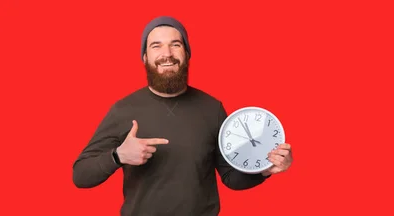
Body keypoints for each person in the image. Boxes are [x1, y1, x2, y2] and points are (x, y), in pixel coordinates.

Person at [72, 16, 293, 216]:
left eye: (175, 45)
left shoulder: (211, 108)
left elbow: (230, 178)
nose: (166, 54)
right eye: (156, 46)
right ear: (145, 57)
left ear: (186, 54)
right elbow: (80, 176)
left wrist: (263, 170)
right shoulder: (123, 110)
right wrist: (117, 156)